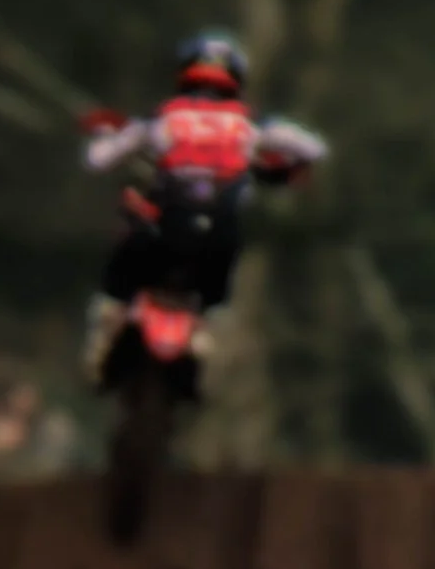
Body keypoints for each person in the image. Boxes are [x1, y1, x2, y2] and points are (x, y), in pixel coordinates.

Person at [80, 31, 327, 385]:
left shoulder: (161, 120)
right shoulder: (252, 127)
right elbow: (314, 149)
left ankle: (101, 341)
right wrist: (274, 163)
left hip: (161, 232)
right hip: (219, 240)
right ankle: (213, 350)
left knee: (118, 274)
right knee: (218, 300)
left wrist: (105, 136)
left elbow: (97, 160)